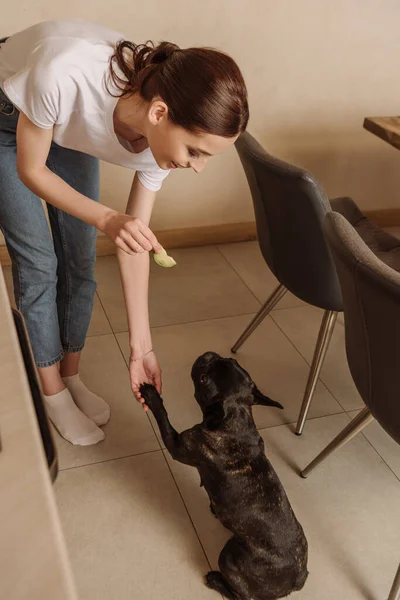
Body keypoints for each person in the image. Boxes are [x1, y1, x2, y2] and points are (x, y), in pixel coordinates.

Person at [0, 19, 249, 446]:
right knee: (40, 262)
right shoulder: (65, 72)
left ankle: (70, 375)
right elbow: (31, 168)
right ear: (159, 113)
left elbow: (133, 244)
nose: (196, 166)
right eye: (195, 152)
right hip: (6, 116)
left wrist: (142, 348)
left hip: (59, 121)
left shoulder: (161, 142)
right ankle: (52, 393)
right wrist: (108, 219)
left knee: (81, 259)